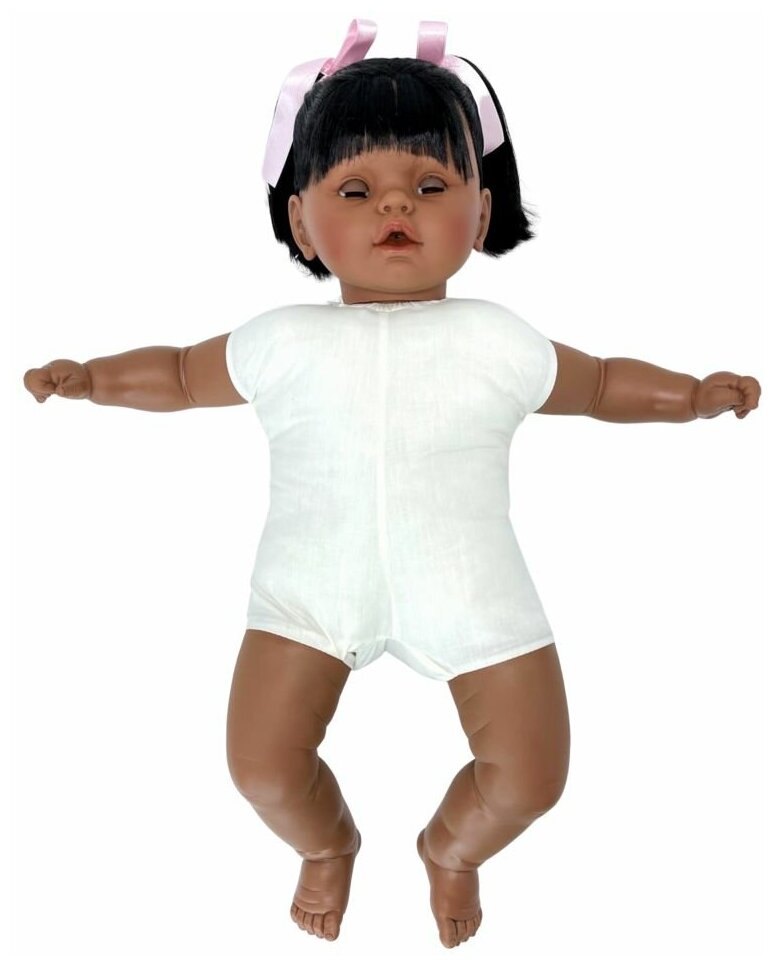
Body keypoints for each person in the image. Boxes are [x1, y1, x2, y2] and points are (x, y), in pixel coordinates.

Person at [22, 19, 761, 951]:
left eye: (431, 185)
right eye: (356, 190)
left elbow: (604, 383)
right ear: (302, 220)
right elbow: (175, 373)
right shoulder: (282, 341)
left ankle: (453, 847)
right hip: (307, 594)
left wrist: (690, 396)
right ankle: (326, 843)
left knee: (533, 777)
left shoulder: (498, 340)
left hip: (474, 592)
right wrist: (91, 378)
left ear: (480, 215)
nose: (395, 206)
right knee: (261, 768)